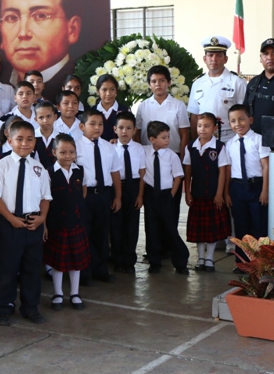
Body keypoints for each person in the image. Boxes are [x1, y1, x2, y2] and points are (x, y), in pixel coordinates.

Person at [0, 120, 52, 326]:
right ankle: (3, 308)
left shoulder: (38, 167)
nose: (25, 143)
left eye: (30, 139)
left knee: (32, 269)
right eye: (20, 139)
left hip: (33, 223)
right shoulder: (2, 166)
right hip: (10, 222)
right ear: (9, 140)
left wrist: (42, 217)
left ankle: (30, 307)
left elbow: (45, 197)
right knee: (7, 268)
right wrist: (11, 218)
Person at [0, 0, 82, 91]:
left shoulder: (76, 83)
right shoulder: (0, 86)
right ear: (1, 30)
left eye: (40, 16)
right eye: (11, 18)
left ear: (72, 29)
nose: (23, 32)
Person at [75, 109, 122, 284]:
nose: (97, 127)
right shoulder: (75, 147)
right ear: (82, 126)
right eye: (92, 124)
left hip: (103, 195)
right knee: (84, 233)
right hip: (85, 196)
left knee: (102, 234)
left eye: (100, 124)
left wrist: (117, 197)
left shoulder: (108, 147)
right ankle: (84, 272)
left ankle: (100, 269)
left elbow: (115, 172)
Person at [45, 134, 90, 311]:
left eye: (71, 152)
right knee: (58, 262)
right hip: (57, 224)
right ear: (54, 152)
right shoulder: (49, 173)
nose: (68, 156)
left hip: (76, 222)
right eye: (63, 152)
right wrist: (45, 224)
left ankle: (74, 293)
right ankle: (57, 293)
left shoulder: (79, 171)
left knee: (75, 261)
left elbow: (83, 192)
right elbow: (45, 199)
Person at [183, 112, 231, 273]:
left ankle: (209, 258)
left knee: (211, 229)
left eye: (207, 126)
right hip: (197, 195)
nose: (202, 129)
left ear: (215, 128)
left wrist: (219, 194)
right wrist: (188, 192)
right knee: (199, 230)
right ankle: (200, 257)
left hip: (212, 195)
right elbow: (188, 171)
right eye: (199, 126)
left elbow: (223, 171)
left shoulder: (219, 147)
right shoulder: (190, 147)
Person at [225, 104, 270, 270]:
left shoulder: (259, 140)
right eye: (233, 121)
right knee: (241, 225)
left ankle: (259, 263)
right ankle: (242, 263)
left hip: (256, 186)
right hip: (237, 188)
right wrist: (227, 193)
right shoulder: (230, 144)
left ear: (250, 119)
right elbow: (228, 170)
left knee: (258, 225)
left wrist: (265, 190)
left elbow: (266, 166)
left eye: (242, 119)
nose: (238, 123)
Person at [141, 121, 189, 275]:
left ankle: (181, 260)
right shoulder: (144, 152)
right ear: (152, 139)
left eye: (168, 136)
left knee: (170, 228)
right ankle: (154, 261)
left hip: (166, 194)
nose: (168, 140)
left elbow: (177, 178)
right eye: (163, 137)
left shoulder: (172, 156)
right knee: (151, 228)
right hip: (150, 194)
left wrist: (171, 196)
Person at [187, 36, 247, 143]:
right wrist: (195, 141)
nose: (214, 59)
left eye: (219, 55)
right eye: (210, 55)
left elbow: (244, 113)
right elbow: (194, 115)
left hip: (230, 136)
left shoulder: (237, 81)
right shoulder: (197, 83)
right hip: (204, 137)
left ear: (226, 59)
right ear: (205, 59)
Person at [111, 112, 145, 274]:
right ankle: (117, 259)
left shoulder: (139, 149)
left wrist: (140, 195)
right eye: (121, 128)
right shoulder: (110, 148)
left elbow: (142, 173)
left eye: (129, 128)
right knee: (116, 225)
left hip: (133, 187)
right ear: (115, 129)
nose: (125, 131)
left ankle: (129, 260)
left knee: (132, 225)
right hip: (116, 187)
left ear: (135, 130)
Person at [135, 66, 189, 157]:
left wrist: (183, 159)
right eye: (154, 81)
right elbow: (137, 134)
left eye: (162, 80)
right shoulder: (142, 106)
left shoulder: (179, 105)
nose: (158, 84)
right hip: (148, 155)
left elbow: (184, 135)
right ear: (149, 84)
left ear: (169, 82)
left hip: (173, 153)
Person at [95, 75, 129, 142]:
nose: (108, 94)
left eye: (112, 89)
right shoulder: (92, 111)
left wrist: (119, 141)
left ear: (116, 91)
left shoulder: (124, 111)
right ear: (98, 91)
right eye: (104, 90)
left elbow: (130, 133)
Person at [33, 100, 59, 169]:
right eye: (41, 117)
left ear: (55, 117)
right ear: (36, 119)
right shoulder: (31, 138)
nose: (45, 120)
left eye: (49, 116)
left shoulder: (60, 138)